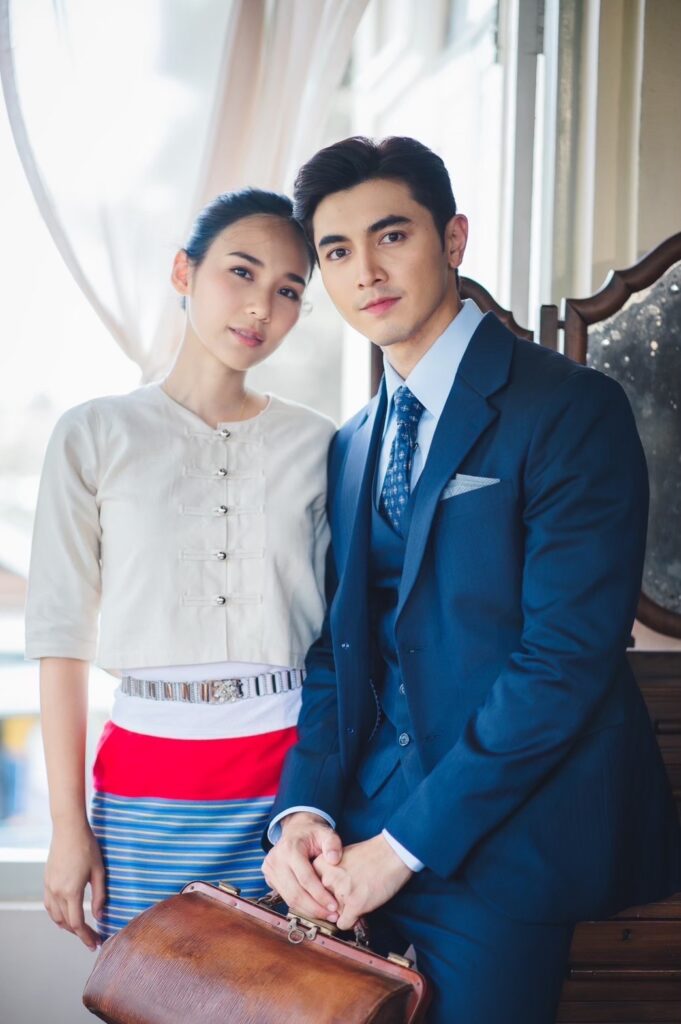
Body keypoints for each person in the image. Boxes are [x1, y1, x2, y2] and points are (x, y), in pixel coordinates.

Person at [262, 137, 681, 1023]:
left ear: (452, 238)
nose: (366, 271)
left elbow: (563, 659)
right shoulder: (352, 443)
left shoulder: (570, 407)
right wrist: (302, 814)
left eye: (391, 235)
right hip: (351, 841)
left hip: (503, 848)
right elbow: (341, 653)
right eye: (336, 252)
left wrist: (403, 847)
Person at [25, 188, 335, 948]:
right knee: (148, 990)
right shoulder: (93, 433)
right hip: (143, 790)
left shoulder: (321, 444)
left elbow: (347, 632)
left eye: (288, 290)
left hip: (290, 793)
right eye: (241, 272)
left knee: (293, 995)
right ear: (183, 272)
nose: (261, 306)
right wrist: (68, 826)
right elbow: (61, 636)